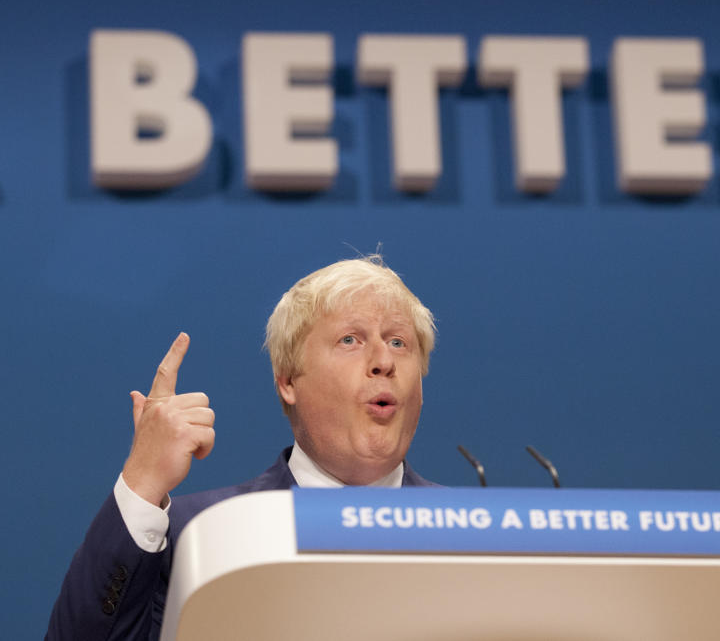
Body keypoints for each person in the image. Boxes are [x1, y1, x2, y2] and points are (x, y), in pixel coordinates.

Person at [46, 255, 439, 641]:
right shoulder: (199, 536)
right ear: (288, 381)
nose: (383, 361)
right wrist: (142, 483)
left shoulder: (482, 538)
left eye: (399, 342)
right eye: (350, 340)